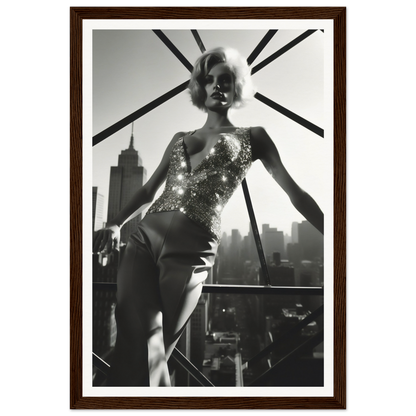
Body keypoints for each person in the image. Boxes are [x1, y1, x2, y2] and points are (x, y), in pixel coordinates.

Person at [93, 47, 324, 386]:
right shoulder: (179, 139)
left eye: (225, 79)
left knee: (152, 348)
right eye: (208, 79)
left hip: (193, 245)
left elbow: (295, 193)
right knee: (133, 339)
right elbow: (148, 192)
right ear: (199, 87)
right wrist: (115, 223)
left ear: (238, 86)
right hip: (143, 239)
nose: (217, 85)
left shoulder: (253, 136)